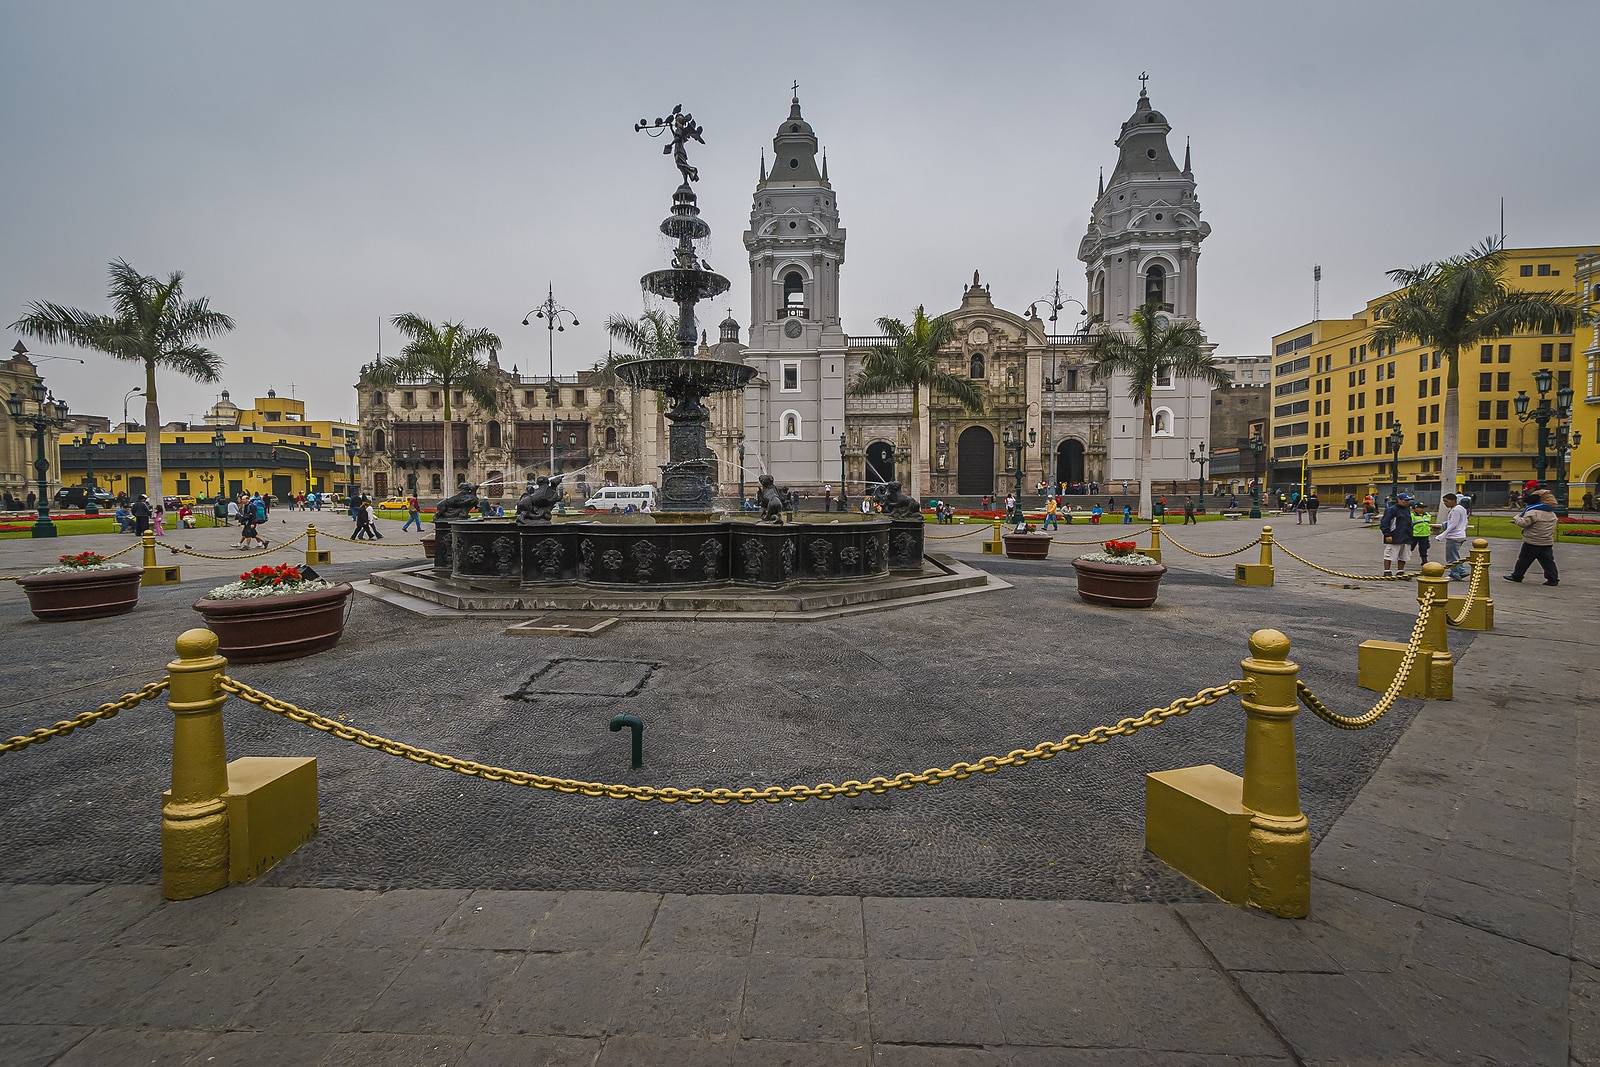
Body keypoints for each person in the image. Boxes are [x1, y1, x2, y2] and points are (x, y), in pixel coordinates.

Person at [1505, 489, 1559, 586]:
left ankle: (1517, 576)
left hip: (1532, 541)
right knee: (1548, 562)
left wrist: (1517, 518)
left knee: (1523, 560)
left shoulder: (1534, 511)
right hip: (1546, 541)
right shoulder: (1551, 513)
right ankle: (1553, 579)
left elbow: (1524, 523)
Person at [1437, 492, 1469, 580]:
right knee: (1454, 555)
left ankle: (1458, 572)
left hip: (1454, 536)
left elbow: (1453, 524)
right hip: (1460, 535)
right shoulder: (1461, 509)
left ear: (1453, 501)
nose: (1445, 504)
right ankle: (1457, 572)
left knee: (1451, 557)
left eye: (1446, 501)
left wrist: (1443, 534)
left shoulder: (1455, 510)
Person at [1379, 493, 1411, 575]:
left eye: (1408, 500)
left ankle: (1400, 571)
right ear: (1399, 500)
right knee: (1389, 554)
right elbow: (1385, 522)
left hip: (1406, 536)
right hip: (1394, 535)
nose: (1407, 502)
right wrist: (1387, 534)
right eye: (1405, 500)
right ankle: (1387, 571)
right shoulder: (1392, 509)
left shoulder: (1407, 509)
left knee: (1404, 555)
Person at [1407, 498, 1432, 564]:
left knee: (1423, 549)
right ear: (1415, 508)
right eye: (1420, 508)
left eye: (1423, 508)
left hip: (1424, 535)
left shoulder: (1427, 515)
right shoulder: (1411, 516)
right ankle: (1403, 559)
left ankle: (1424, 561)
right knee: (1410, 548)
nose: (1422, 509)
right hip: (1414, 535)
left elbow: (1427, 524)